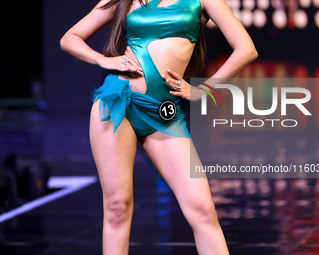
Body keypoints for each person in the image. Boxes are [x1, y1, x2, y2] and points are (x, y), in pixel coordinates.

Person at [60, 0, 257, 254]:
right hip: (119, 102)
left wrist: (203, 90)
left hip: (165, 115)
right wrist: (102, 59)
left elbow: (246, 49)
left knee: (202, 210)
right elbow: (69, 38)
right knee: (118, 207)